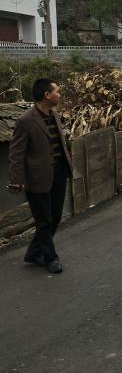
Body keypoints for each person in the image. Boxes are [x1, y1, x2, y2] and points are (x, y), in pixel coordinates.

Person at [8, 78, 72, 274]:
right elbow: (16, 153)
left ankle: (33, 252)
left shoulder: (55, 114)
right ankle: (50, 258)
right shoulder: (25, 120)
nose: (59, 94)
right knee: (44, 220)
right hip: (37, 177)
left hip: (59, 172)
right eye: (57, 91)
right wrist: (16, 180)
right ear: (47, 95)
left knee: (55, 217)